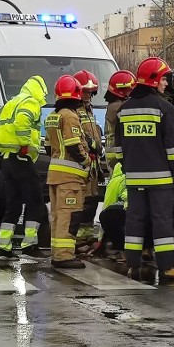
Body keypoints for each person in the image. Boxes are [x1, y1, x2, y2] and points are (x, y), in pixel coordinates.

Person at [117, 57, 174, 280]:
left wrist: (127, 168)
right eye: (164, 78)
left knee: (134, 220)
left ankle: (132, 265)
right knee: (162, 221)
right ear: (154, 80)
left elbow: (118, 149)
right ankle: (166, 266)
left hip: (134, 178)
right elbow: (173, 148)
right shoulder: (165, 108)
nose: (166, 83)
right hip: (161, 179)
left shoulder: (124, 109)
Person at [0, 75, 48, 260]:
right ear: (39, 91)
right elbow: (22, 123)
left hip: (5, 160)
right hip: (21, 158)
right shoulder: (31, 103)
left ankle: (4, 247)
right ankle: (29, 244)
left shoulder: (9, 104)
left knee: (12, 204)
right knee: (36, 200)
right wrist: (24, 146)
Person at [44, 75, 92, 268]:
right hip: (69, 178)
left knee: (57, 215)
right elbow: (74, 146)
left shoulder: (52, 117)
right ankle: (64, 256)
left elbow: (48, 147)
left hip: (55, 174)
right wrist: (87, 161)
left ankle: (58, 252)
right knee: (68, 215)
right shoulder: (70, 116)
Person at [73, 70, 103, 247]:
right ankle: (77, 236)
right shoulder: (74, 110)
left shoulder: (88, 109)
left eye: (91, 92)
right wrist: (92, 144)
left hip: (92, 164)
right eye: (85, 91)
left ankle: (87, 233)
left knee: (92, 200)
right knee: (81, 202)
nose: (89, 95)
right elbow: (79, 136)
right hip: (82, 163)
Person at [104, 70, 137, 168]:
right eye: (130, 89)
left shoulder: (114, 105)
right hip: (116, 156)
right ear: (123, 90)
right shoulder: (117, 107)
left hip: (115, 153)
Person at [99, 161, 127, 261]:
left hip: (116, 213)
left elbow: (106, 206)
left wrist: (100, 239)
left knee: (110, 216)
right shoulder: (131, 178)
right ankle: (146, 249)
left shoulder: (113, 182)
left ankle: (122, 251)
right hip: (134, 212)